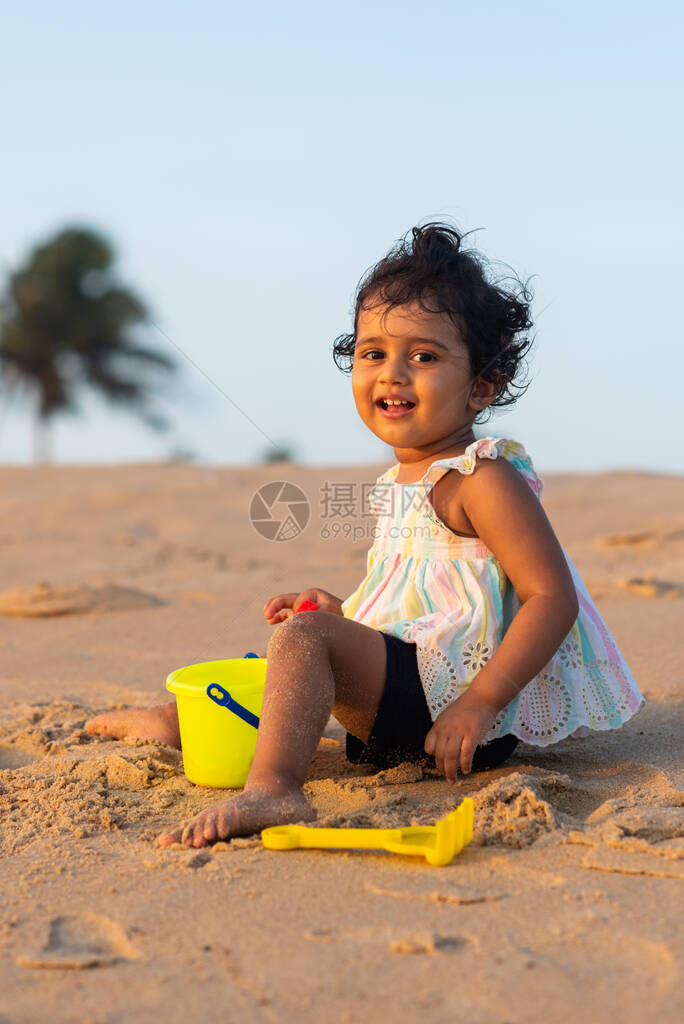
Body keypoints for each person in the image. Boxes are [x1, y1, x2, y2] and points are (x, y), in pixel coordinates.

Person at [86, 222, 645, 848]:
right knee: (286, 652)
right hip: (421, 691)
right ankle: (179, 720)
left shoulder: (482, 476)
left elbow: (551, 597)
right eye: (372, 353)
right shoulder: (404, 479)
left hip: (456, 714)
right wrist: (348, 613)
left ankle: (274, 788)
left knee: (305, 641)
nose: (392, 374)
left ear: (481, 385)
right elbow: (435, 603)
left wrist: (481, 703)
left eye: (424, 357)